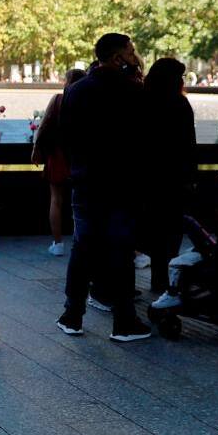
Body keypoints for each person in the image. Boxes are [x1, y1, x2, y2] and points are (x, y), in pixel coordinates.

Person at [56, 33, 152, 342]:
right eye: (131, 51)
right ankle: (124, 320)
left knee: (83, 247)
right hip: (122, 184)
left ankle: (72, 315)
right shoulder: (134, 92)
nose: (135, 56)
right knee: (121, 250)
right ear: (117, 57)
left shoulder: (76, 91)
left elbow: (66, 136)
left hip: (85, 181)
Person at [143, 58, 196, 292]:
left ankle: (157, 275)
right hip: (174, 178)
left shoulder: (142, 101)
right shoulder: (180, 104)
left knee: (152, 228)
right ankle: (164, 279)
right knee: (170, 230)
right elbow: (188, 144)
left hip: (148, 177)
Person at [32, 68, 86, 256]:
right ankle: (80, 239)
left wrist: (37, 151)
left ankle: (57, 243)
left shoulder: (58, 100)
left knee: (56, 199)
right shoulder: (86, 102)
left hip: (57, 155)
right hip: (81, 156)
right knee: (82, 201)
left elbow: (44, 125)